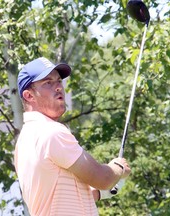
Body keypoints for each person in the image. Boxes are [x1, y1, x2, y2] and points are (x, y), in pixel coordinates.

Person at [14, 57, 131, 216]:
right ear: (29, 96)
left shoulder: (25, 139)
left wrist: (104, 192)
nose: (58, 87)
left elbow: (59, 194)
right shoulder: (51, 132)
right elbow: (103, 178)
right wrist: (118, 168)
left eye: (58, 81)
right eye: (48, 82)